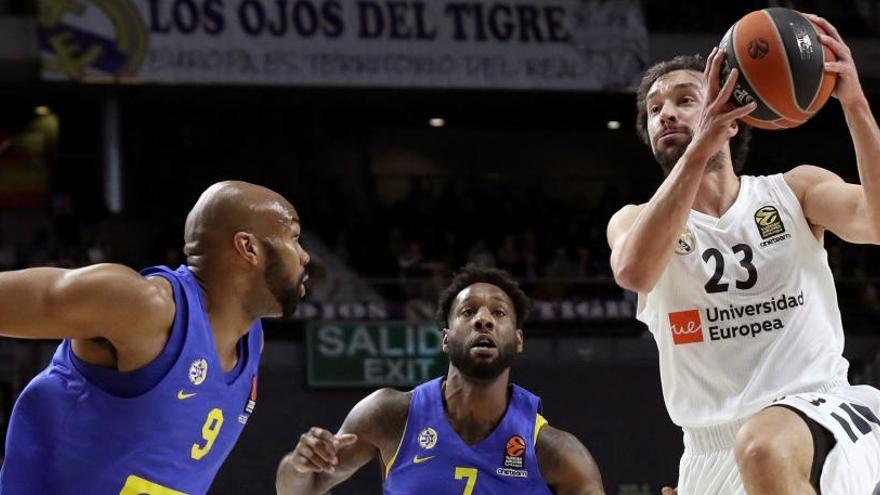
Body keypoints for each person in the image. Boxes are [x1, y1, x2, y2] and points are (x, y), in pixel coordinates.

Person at [607, 14, 880, 495]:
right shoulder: (632, 220)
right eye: (654, 110)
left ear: (733, 114)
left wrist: (855, 105)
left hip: (819, 412)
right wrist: (700, 141)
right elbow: (634, 270)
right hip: (708, 451)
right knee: (755, 447)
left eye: (685, 100)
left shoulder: (794, 191)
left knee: (762, 447)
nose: (665, 114)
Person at [0, 181, 311, 494]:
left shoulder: (250, 340)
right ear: (248, 248)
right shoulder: (142, 308)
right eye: (294, 237)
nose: (304, 256)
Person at [275, 266, 604, 495]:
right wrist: (299, 465)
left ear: (518, 339)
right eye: (468, 312)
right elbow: (299, 489)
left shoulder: (555, 451)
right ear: (446, 338)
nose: (483, 320)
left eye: (498, 313)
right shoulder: (390, 415)